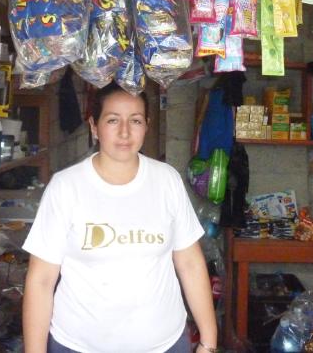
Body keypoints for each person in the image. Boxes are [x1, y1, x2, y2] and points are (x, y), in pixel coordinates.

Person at [22, 82, 218, 353]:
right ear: (94, 127)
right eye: (113, 120)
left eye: (135, 120)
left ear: (146, 126)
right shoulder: (66, 187)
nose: (125, 132)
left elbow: (190, 263)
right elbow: (41, 280)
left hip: (164, 344)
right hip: (78, 345)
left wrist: (209, 342)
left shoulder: (166, 180)